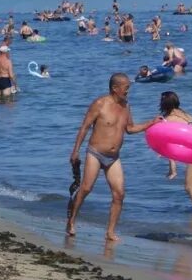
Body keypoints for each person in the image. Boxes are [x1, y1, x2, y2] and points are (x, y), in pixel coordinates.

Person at [66, 73, 160, 240]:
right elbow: (84, 128)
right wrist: (75, 151)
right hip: (95, 153)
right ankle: (71, 220)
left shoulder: (126, 106)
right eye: (126, 88)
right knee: (86, 188)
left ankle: (110, 232)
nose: (128, 91)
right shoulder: (99, 104)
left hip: (114, 157)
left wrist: (151, 123)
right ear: (115, 88)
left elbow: (130, 129)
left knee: (119, 194)